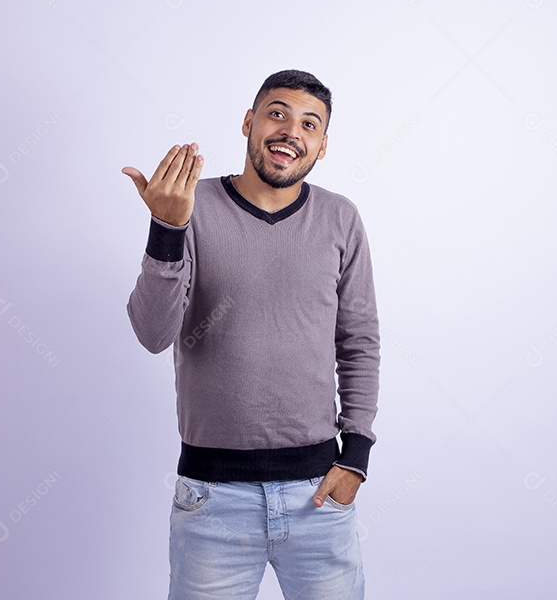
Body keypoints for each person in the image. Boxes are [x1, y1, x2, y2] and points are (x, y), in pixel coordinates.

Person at [123, 69, 381, 600]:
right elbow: (152, 333)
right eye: (277, 113)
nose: (291, 131)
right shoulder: (191, 207)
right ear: (248, 122)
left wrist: (355, 457)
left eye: (309, 124)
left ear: (322, 146)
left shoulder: (340, 218)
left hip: (318, 495)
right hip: (212, 499)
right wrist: (167, 229)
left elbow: (358, 342)